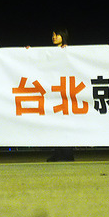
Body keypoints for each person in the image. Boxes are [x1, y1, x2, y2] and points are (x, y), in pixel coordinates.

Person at [46, 28, 75, 162]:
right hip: (54, 91)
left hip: (66, 91)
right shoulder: (49, 52)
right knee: (54, 124)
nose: (54, 37)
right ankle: (58, 152)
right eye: (52, 34)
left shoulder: (69, 50)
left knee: (66, 123)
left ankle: (67, 153)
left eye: (56, 34)